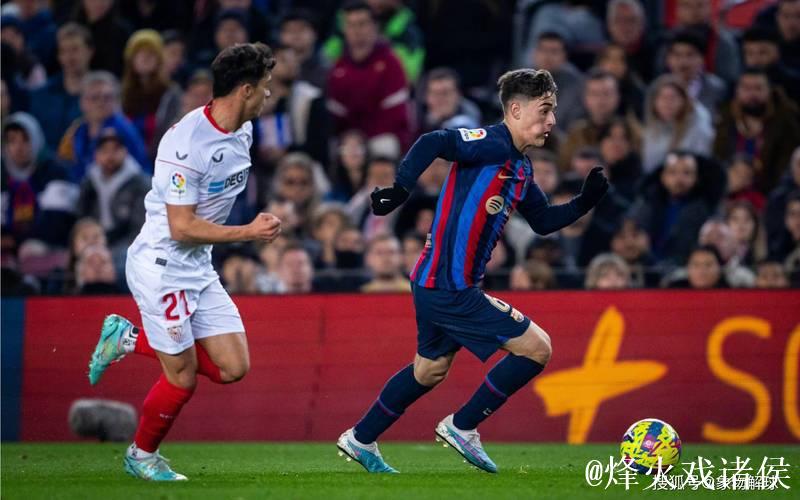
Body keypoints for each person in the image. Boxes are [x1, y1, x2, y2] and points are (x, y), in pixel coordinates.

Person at [336, 69, 608, 473]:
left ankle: (360, 439)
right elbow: (433, 141)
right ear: (515, 110)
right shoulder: (491, 142)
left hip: (435, 282)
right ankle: (462, 426)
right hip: (450, 285)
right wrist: (401, 188)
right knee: (537, 348)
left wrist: (585, 201)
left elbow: (543, 221)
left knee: (429, 370)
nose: (552, 120)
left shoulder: (521, 168)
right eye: (544, 110)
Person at [85, 43, 281, 481]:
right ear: (246, 90)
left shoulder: (244, 131)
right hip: (162, 266)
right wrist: (248, 232)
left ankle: (127, 338)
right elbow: (181, 227)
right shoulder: (185, 144)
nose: (269, 94)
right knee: (182, 378)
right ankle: (141, 455)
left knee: (233, 368)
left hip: (198, 264)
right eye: (265, 86)